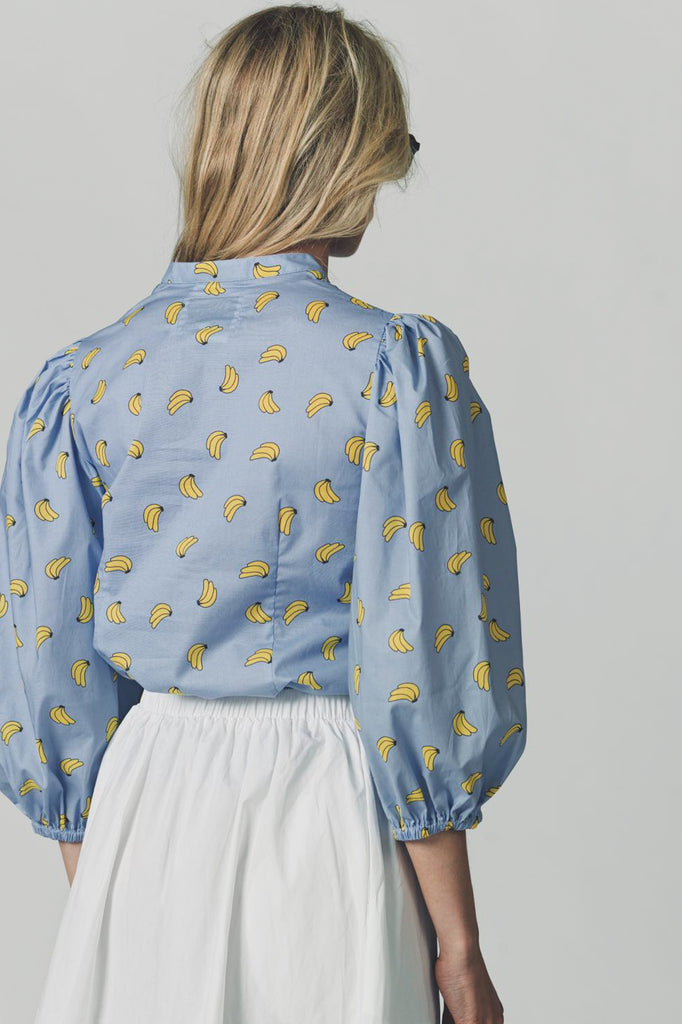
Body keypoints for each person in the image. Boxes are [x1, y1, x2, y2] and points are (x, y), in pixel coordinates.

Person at [0, 5, 527, 1023]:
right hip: (328, 797)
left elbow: (51, 671)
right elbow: (422, 659)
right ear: (340, 152)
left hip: (142, 808)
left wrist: (113, 889)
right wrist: (460, 952)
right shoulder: (394, 368)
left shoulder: (83, 378)